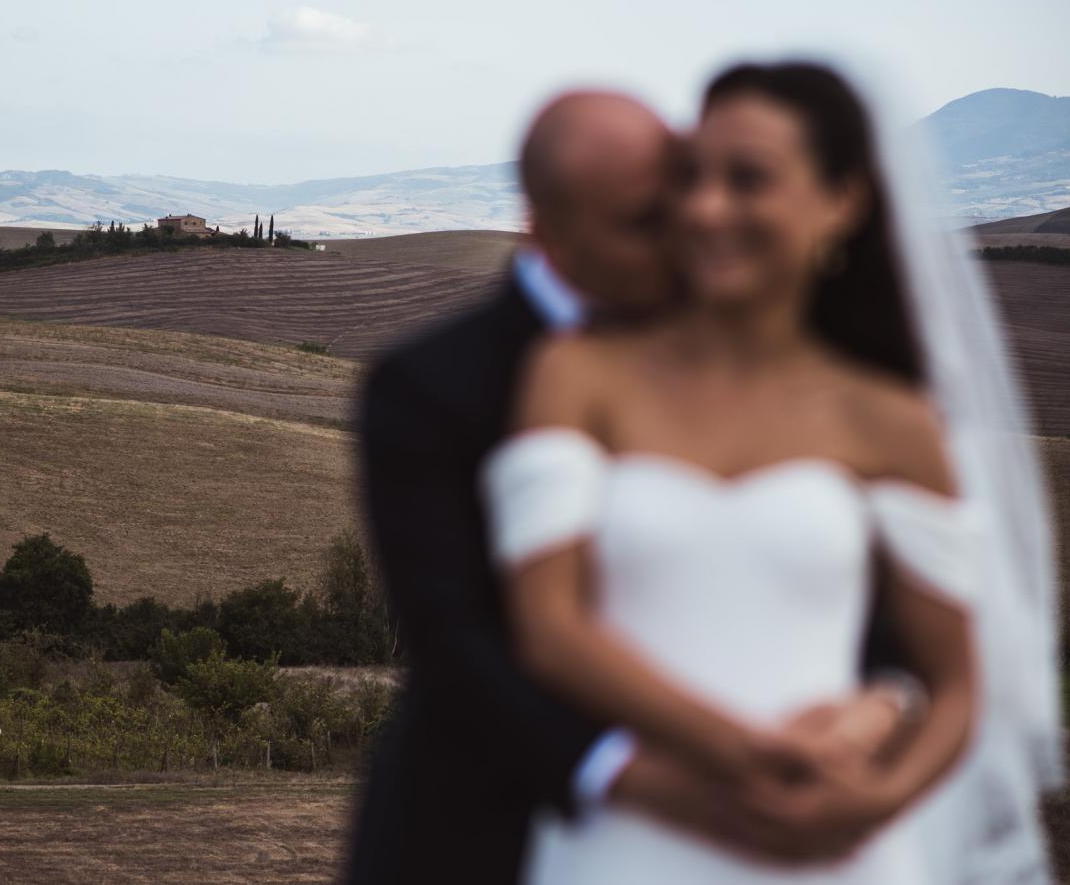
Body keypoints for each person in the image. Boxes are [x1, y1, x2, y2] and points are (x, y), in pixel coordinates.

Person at [482, 62, 1060, 883]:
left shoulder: (891, 421)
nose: (707, 208)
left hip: (834, 847)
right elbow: (547, 628)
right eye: (693, 177)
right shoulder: (577, 376)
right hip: (628, 844)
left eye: (747, 179)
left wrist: (866, 803)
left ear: (843, 201)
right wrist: (751, 756)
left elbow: (957, 686)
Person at [344, 88, 929, 885]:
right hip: (491, 829)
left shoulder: (765, 357)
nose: (688, 231)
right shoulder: (428, 387)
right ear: (544, 231)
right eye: (643, 221)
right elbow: (461, 645)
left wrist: (870, 717)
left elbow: (864, 591)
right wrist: (659, 787)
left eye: (684, 196)